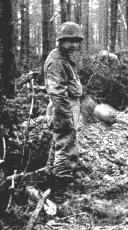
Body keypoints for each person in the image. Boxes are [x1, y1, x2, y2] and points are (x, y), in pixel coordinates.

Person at [44, 22, 84, 193]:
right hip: (63, 111)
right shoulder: (57, 61)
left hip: (67, 109)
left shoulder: (65, 59)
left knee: (58, 147)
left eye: (76, 41)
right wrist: (67, 118)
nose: (73, 45)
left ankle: (49, 183)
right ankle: (61, 192)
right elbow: (58, 95)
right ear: (60, 41)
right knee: (66, 151)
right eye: (69, 41)